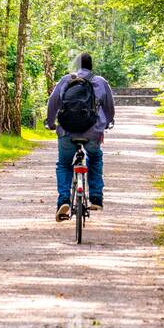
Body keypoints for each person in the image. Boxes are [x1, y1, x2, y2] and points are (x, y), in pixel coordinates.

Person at [45, 52, 115, 221]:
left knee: (63, 164)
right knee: (95, 157)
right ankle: (96, 197)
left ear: (76, 66)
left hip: (67, 131)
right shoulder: (100, 82)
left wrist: (50, 122)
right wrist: (107, 122)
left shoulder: (66, 80)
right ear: (91, 66)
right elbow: (109, 108)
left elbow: (53, 102)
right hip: (93, 131)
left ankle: (64, 200)